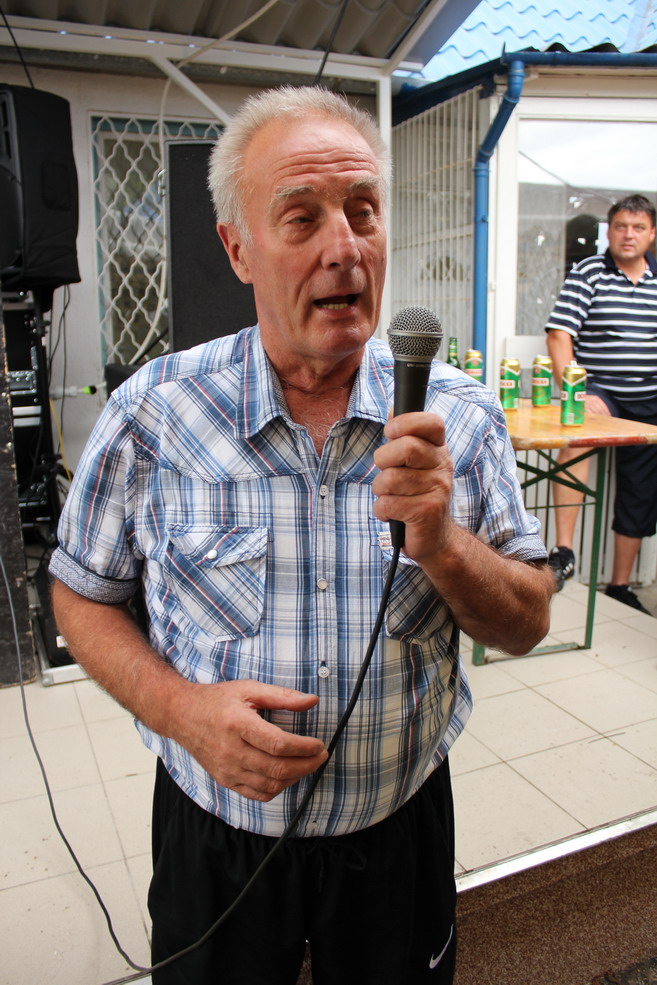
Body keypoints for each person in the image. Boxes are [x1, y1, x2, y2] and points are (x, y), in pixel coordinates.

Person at [49, 86, 553, 985]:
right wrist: (181, 712)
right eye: (301, 217)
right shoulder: (155, 414)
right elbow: (81, 595)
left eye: (363, 210)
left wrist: (441, 540)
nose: (344, 246)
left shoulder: (462, 416)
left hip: (395, 827)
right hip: (217, 832)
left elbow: (525, 622)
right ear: (237, 248)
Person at [545, 194, 657, 613]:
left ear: (652, 234)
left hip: (650, 395)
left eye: (638, 227)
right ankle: (563, 553)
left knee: (643, 488)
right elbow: (559, 336)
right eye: (621, 226)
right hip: (600, 391)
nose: (629, 235)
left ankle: (620, 586)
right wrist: (578, 393)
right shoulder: (589, 272)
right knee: (577, 438)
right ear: (609, 231)